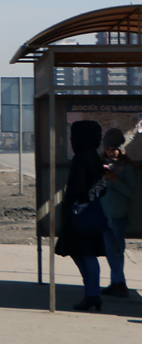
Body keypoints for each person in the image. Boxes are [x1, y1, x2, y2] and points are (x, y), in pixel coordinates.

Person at [56, 119, 107, 311]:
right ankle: (91, 293)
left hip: (77, 214)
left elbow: (77, 187)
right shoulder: (94, 157)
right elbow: (102, 187)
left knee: (82, 253)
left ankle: (92, 293)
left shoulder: (80, 158)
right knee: (86, 252)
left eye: (73, 135)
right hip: (90, 213)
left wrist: (79, 201)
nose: (71, 139)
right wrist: (89, 199)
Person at [101, 127, 136, 298]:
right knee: (110, 250)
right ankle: (116, 282)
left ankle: (119, 282)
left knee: (117, 250)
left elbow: (130, 192)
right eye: (108, 149)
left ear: (120, 149)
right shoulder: (101, 165)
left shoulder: (127, 168)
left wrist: (114, 180)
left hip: (119, 215)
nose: (111, 152)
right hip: (104, 214)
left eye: (114, 149)